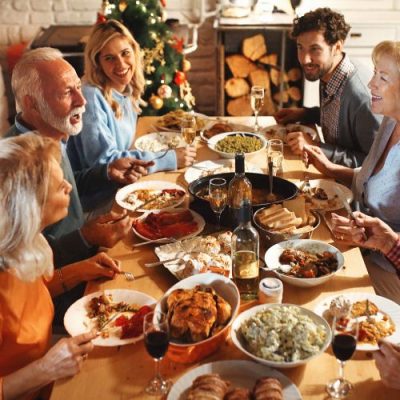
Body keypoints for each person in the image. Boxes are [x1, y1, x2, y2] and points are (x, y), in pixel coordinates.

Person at [5, 47, 136, 323]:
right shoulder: (16, 166)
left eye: (78, 87)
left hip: (84, 266)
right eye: (67, 93)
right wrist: (86, 238)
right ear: (31, 104)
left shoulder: (53, 134)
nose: (82, 101)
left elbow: (67, 188)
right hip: (55, 307)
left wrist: (107, 173)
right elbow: (19, 264)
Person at [0, 133, 96, 400]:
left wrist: (82, 270)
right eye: (57, 186)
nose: (68, 186)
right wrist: (45, 369)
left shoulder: (20, 246)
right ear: (28, 207)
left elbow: (28, 301)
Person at [304, 40, 400, 303]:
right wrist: (330, 168)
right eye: (373, 73)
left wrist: (389, 243)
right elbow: (370, 178)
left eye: (383, 77)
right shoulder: (391, 122)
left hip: (389, 272)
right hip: (363, 246)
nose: (371, 84)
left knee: (313, 287)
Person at [66, 19, 196, 173]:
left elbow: (123, 149)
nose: (121, 64)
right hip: (99, 194)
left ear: (134, 52)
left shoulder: (126, 89)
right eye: (109, 58)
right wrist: (169, 159)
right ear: (97, 63)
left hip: (124, 181)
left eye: (125, 53)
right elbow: (106, 164)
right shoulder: (91, 97)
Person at [275, 7, 381, 168]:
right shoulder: (328, 72)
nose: (304, 59)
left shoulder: (363, 98)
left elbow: (376, 164)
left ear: (337, 47)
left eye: (315, 49)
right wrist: (305, 113)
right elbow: (337, 118)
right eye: (300, 47)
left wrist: (317, 147)